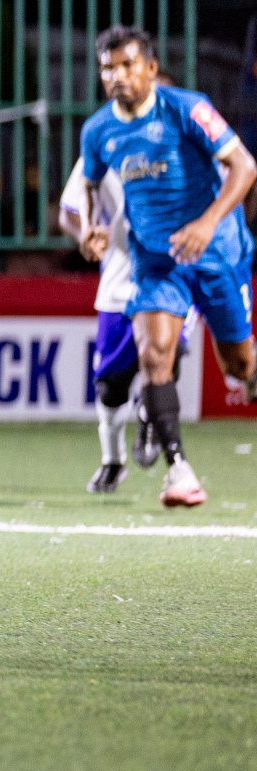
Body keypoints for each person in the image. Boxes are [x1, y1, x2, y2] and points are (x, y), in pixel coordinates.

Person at [79, 26, 257, 508]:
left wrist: (206, 223)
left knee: (238, 366)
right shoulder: (97, 131)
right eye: (107, 68)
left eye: (127, 65)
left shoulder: (186, 107)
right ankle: (179, 471)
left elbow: (245, 167)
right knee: (155, 355)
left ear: (151, 69)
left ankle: (250, 367)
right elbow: (91, 190)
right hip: (156, 261)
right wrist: (92, 229)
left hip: (218, 253)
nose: (117, 76)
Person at [60, 157, 194, 492]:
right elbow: (68, 213)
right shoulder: (104, 140)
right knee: (110, 385)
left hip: (171, 276)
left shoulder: (184, 134)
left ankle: (156, 426)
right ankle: (113, 461)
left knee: (166, 359)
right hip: (120, 280)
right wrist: (86, 235)